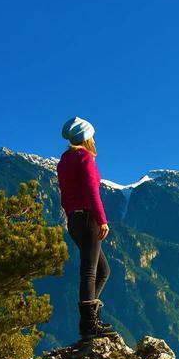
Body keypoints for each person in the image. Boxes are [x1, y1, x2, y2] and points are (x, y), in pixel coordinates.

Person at [56, 116, 116, 340]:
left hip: (73, 220)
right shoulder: (85, 159)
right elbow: (93, 191)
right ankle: (89, 325)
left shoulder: (64, 161)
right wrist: (101, 219)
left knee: (102, 271)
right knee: (91, 271)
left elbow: (64, 195)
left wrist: (71, 215)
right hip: (88, 218)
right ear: (86, 137)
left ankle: (90, 319)